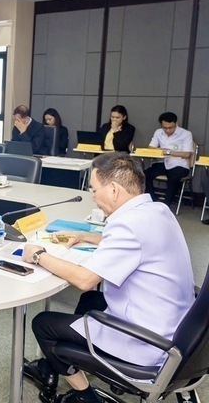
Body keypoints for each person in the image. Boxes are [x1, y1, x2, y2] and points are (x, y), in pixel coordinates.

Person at [21, 152, 194, 403]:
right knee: (90, 301)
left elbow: (85, 279)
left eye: (94, 190)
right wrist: (87, 237)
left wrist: (39, 255)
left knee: (43, 324)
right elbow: (137, 244)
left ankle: (85, 397)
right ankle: (53, 365)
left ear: (113, 189)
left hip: (149, 343)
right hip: (178, 329)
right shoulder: (158, 211)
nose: (93, 197)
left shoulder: (127, 224)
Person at [144, 111, 194, 206]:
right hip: (162, 162)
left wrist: (167, 152)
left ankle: (166, 204)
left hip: (179, 164)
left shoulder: (186, 134)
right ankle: (152, 200)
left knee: (173, 178)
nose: (167, 130)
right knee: (144, 175)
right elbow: (151, 147)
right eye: (165, 127)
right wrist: (160, 151)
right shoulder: (158, 132)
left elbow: (187, 154)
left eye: (170, 127)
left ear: (176, 123)